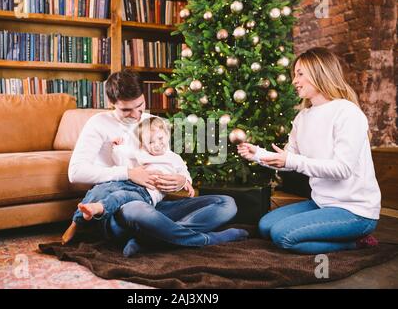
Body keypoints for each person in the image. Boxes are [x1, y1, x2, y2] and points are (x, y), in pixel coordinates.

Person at [63, 69, 248, 257]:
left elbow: (170, 160)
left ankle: (149, 241)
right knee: (138, 211)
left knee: (226, 203)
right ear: (111, 103)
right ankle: (207, 239)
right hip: (121, 206)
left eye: (140, 106)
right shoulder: (98, 123)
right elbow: (76, 172)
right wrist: (128, 173)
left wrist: (182, 180)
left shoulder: (153, 122)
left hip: (154, 203)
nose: (136, 115)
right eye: (126, 110)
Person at [237, 47, 381, 254]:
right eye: (294, 74)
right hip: (322, 204)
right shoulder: (302, 117)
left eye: (300, 74)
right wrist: (257, 154)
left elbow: (343, 169)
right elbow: (289, 158)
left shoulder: (347, 113)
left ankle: (357, 242)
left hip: (355, 211)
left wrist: (290, 161)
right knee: (266, 226)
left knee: (283, 236)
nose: (295, 80)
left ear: (320, 72)